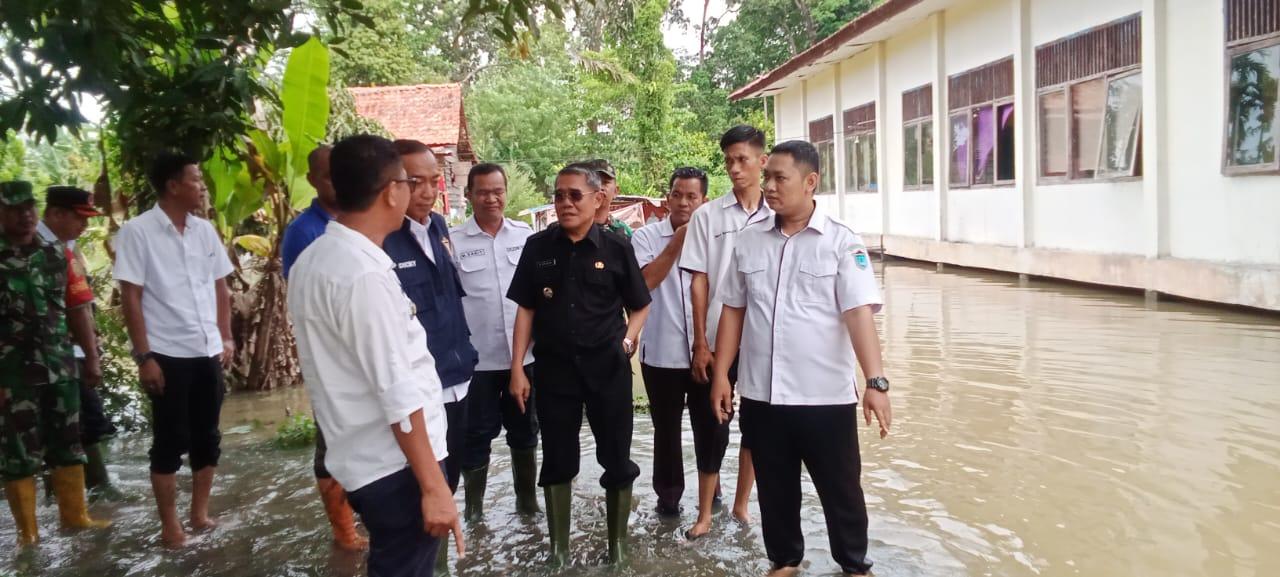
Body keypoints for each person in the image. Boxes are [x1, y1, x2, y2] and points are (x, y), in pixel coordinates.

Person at [710, 141, 893, 577]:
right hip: (762, 394)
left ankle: (853, 564)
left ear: (811, 182)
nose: (768, 186)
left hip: (824, 398)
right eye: (767, 176)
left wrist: (876, 382)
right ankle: (785, 561)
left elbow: (858, 314)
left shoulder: (841, 243)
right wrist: (721, 374)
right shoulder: (749, 241)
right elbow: (734, 311)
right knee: (774, 488)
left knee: (842, 489)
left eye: (779, 178)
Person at [288, 134, 462, 577]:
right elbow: (397, 392)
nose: (416, 190)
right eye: (408, 181)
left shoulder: (317, 259)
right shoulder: (362, 274)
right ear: (391, 191)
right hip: (395, 467)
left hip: (362, 459)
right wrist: (433, 486)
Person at [507, 164, 651, 567]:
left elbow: (640, 305)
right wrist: (517, 367)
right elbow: (525, 311)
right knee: (556, 458)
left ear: (598, 199)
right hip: (554, 372)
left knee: (617, 457)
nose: (565, 203)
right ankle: (558, 549)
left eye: (574, 195)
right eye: (559, 195)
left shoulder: (616, 247)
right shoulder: (538, 248)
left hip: (607, 369)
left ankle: (617, 547)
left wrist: (626, 341)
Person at [114, 152, 235, 547]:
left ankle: (199, 515)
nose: (202, 186)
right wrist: (144, 356)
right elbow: (131, 296)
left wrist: (226, 337)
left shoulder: (204, 231)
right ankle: (171, 527)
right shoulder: (138, 231)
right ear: (173, 185)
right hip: (166, 352)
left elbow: (220, 287)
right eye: (196, 179)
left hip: (207, 351)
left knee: (208, 436)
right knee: (168, 441)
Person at [383, 138, 478, 574]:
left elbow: (450, 300)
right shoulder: (383, 241)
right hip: (419, 394)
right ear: (391, 185)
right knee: (421, 488)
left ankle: (436, 564)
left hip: (458, 378)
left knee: (449, 479)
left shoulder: (439, 226)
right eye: (414, 182)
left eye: (432, 181)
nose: (425, 191)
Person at [1, 180, 111, 547]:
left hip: (60, 367)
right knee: (19, 453)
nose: (26, 214)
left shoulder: (55, 255)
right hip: (12, 376)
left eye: (29, 207)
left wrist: (92, 359)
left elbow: (79, 309)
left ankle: (76, 518)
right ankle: (28, 536)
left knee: (69, 443)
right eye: (16, 208)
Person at [678, 125, 773, 525]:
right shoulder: (707, 216)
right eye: (728, 161)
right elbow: (698, 279)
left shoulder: (779, 214)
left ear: (762, 161)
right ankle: (703, 514)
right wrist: (701, 342)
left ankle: (741, 505)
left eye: (742, 160)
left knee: (756, 428)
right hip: (718, 340)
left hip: (764, 344)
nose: (734, 169)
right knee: (710, 426)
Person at [281, 144, 368, 552]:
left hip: (367, 353)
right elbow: (305, 302)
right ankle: (344, 533)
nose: (337, 181)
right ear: (313, 180)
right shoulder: (303, 232)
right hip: (334, 358)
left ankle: (366, 518)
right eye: (327, 175)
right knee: (331, 441)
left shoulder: (361, 221)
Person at [633, 168, 727, 536]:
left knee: (712, 424)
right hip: (662, 353)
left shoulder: (719, 236)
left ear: (704, 200)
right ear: (667, 197)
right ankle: (668, 499)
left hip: (711, 351)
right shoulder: (645, 236)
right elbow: (643, 284)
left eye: (692, 197)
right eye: (677, 195)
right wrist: (676, 243)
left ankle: (713, 490)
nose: (684, 203)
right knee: (666, 430)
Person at [449, 163, 541, 521]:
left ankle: (527, 503)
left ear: (506, 193)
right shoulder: (455, 243)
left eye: (497, 191)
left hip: (525, 358)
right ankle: (473, 512)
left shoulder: (525, 236)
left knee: (525, 432)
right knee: (475, 436)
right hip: (478, 362)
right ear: (470, 195)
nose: (491, 198)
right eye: (483, 191)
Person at [38, 185, 121, 500]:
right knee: (74, 420)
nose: (84, 226)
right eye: (79, 218)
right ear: (56, 214)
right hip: (45, 355)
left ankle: (88, 491)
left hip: (68, 350)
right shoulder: (37, 248)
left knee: (84, 418)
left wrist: (90, 350)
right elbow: (75, 308)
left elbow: (81, 305)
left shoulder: (64, 246)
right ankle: (86, 491)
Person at [586, 159, 632, 239]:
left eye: (605, 182)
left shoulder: (623, 231)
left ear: (615, 191)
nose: (600, 187)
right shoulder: (572, 228)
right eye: (594, 182)